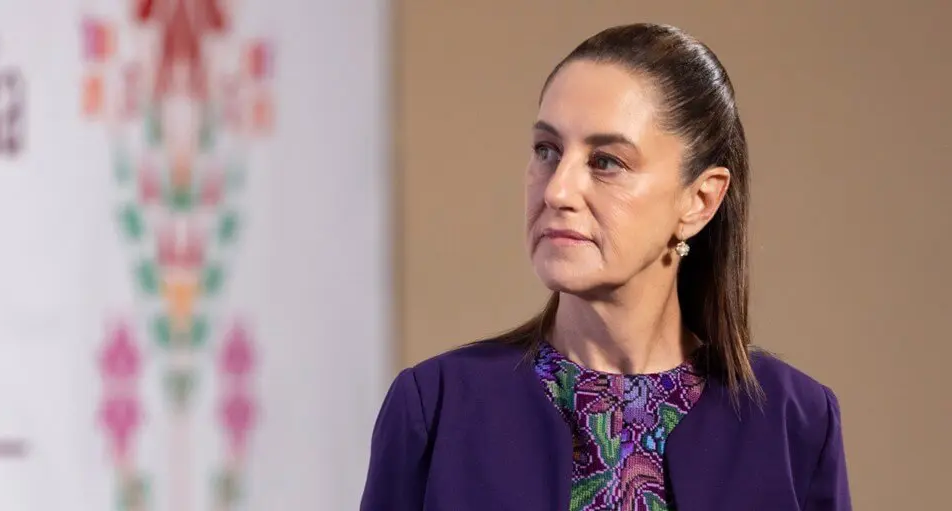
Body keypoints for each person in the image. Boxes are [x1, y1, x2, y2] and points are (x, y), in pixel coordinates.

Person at [359, 23, 850, 511]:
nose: (558, 191)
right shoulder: (436, 409)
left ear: (700, 200)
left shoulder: (796, 423)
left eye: (606, 162)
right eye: (547, 151)